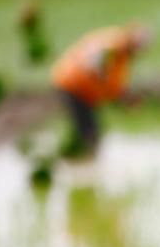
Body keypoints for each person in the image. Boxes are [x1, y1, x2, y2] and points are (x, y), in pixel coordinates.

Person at [51, 24, 150, 158]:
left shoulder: (121, 53)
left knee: (88, 132)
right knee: (90, 133)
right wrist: (107, 83)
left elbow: (111, 82)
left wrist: (123, 97)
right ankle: (84, 164)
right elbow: (95, 63)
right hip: (73, 85)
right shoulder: (114, 45)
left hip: (83, 90)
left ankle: (76, 160)